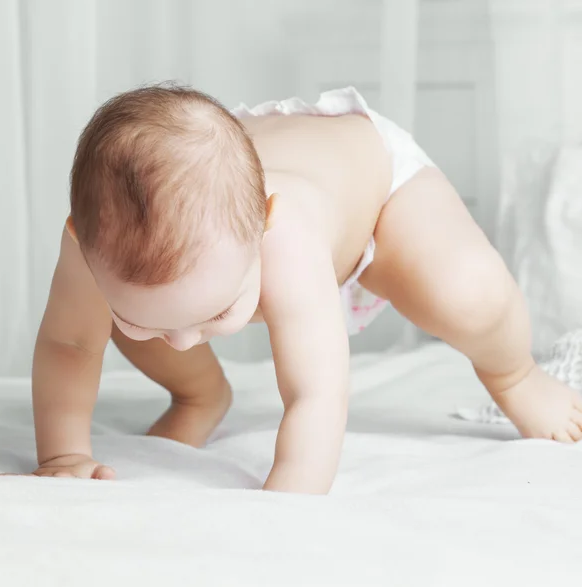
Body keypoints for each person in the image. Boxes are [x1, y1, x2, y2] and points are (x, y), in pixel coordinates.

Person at [30, 84, 582, 494]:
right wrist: (63, 455)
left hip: (373, 192)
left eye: (218, 311)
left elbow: (315, 393)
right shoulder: (97, 244)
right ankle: (200, 395)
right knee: (110, 313)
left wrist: (290, 495)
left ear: (263, 223)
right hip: (229, 189)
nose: (179, 341)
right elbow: (69, 346)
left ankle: (516, 376)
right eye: (149, 324)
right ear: (80, 237)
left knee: (468, 294)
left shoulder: (286, 234)